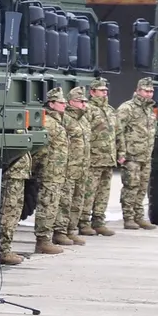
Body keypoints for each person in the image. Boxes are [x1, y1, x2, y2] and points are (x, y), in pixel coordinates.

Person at [79, 78, 121, 235]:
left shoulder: (110, 110)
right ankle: (83, 222)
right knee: (89, 192)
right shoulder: (88, 110)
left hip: (108, 159)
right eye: (101, 90)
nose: (105, 93)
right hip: (93, 159)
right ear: (92, 92)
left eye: (106, 90)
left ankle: (98, 221)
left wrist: (120, 152)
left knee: (103, 192)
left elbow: (117, 133)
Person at [117, 77, 158, 229]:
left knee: (142, 187)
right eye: (146, 91)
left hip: (145, 156)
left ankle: (139, 216)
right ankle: (128, 217)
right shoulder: (127, 108)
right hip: (131, 156)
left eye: (151, 91)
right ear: (138, 91)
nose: (149, 94)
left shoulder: (149, 110)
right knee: (131, 186)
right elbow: (118, 131)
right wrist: (121, 152)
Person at [32, 87, 70, 254]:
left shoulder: (57, 121)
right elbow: (40, 149)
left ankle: (48, 237)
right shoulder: (48, 122)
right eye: (61, 102)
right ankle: (43, 240)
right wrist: (41, 167)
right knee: (47, 205)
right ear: (52, 103)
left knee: (53, 204)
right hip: (49, 172)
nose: (65, 105)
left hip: (57, 172)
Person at [54, 87, 91, 247]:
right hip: (69, 167)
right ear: (70, 102)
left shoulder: (83, 119)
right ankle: (60, 232)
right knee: (65, 201)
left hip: (82, 167)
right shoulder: (65, 119)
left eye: (85, 101)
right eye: (80, 101)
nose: (84, 104)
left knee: (77, 200)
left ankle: (71, 230)